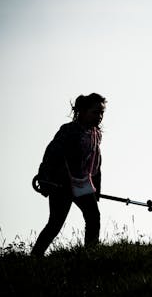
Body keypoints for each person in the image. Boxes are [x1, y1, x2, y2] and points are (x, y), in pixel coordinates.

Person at [31, 93, 106, 256]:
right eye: (95, 112)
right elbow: (51, 154)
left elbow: (96, 162)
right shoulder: (69, 130)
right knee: (55, 224)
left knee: (93, 216)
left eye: (101, 113)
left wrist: (96, 187)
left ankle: (91, 255)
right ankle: (35, 257)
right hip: (62, 185)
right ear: (83, 111)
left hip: (83, 185)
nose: (99, 116)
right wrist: (45, 179)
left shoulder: (96, 134)